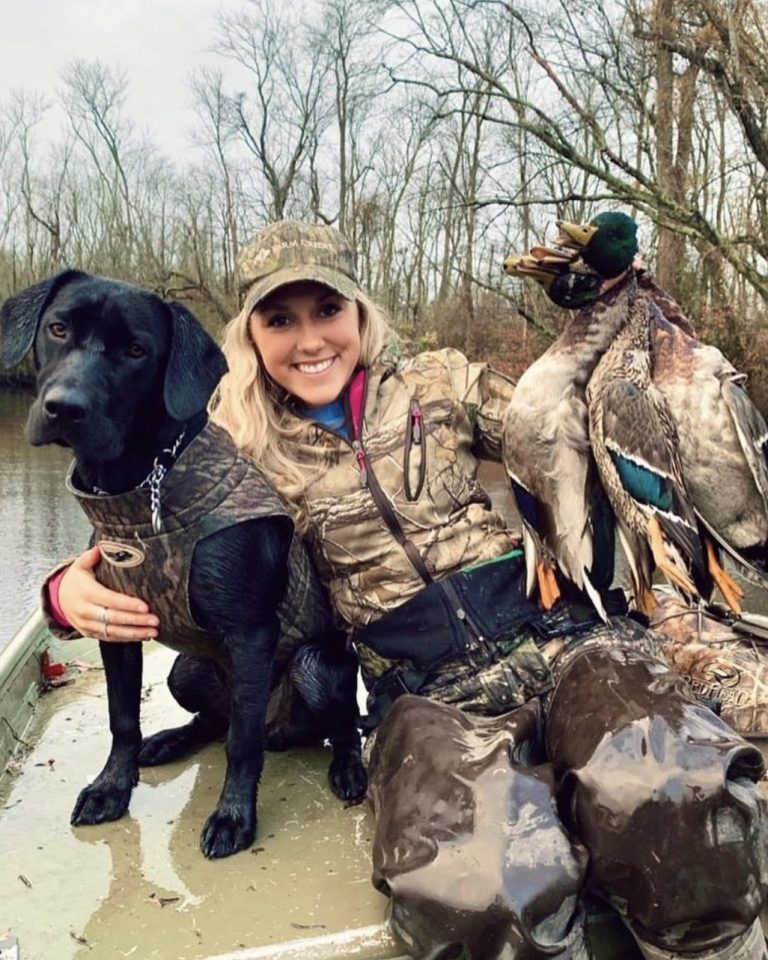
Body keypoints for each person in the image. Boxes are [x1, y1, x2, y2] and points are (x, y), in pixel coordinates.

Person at [47, 220, 768, 960]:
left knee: (677, 792)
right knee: (470, 885)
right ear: (251, 333)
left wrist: (623, 307)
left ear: (360, 312)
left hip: (565, 635)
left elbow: (576, 432)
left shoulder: (441, 383)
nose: (309, 339)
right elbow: (136, 530)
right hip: (424, 691)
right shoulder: (226, 443)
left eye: (327, 310)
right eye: (280, 319)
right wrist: (63, 594)